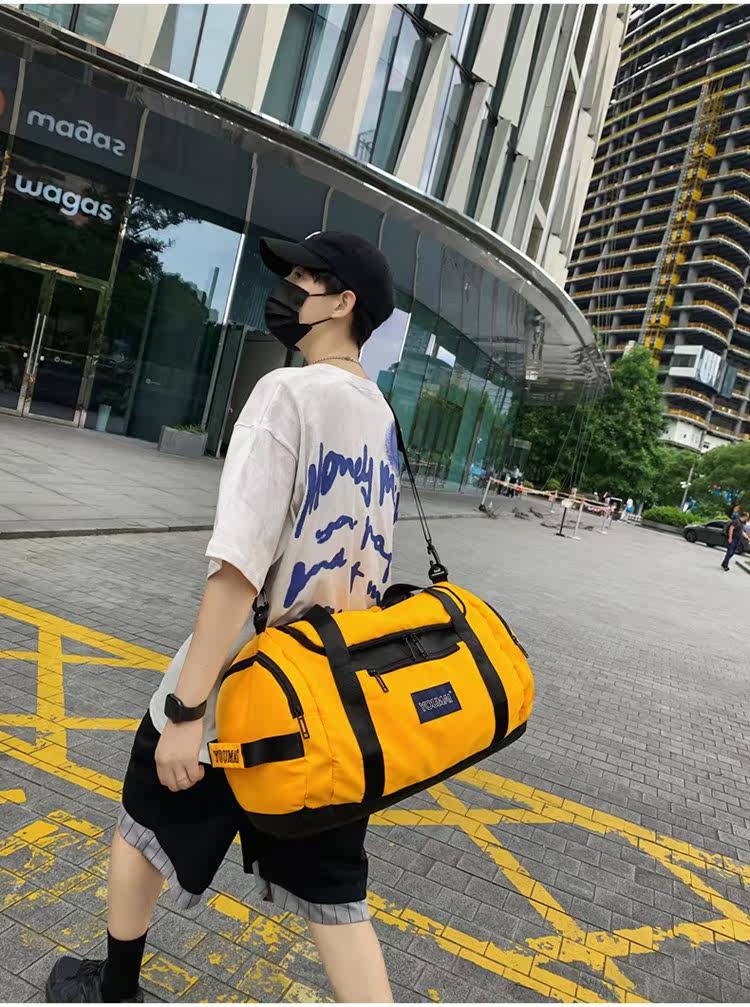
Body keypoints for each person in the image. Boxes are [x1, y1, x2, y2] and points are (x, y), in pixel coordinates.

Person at [46, 232, 399, 1004]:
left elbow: (238, 567)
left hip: (244, 682)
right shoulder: (381, 418)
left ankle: (116, 990)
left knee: (143, 817)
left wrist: (188, 709)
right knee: (337, 894)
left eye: (305, 277)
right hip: (329, 694)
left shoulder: (286, 395)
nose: (288, 288)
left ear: (344, 303)